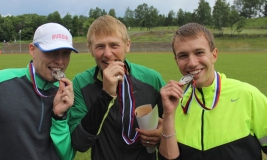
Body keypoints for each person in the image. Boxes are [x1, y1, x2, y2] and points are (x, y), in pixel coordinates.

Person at [0, 23, 78, 160]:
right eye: (52, 51)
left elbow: (66, 156)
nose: (60, 61)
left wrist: (59, 116)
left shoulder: (66, 97)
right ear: (32, 50)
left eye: (66, 53)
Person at [158, 23, 267, 160]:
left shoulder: (248, 96)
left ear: (214, 55)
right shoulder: (175, 104)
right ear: (176, 61)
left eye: (199, 52)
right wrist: (168, 115)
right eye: (183, 55)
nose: (192, 63)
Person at [67, 15, 165, 160]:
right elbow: (80, 143)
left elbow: (173, 124)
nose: (107, 53)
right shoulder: (81, 83)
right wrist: (106, 95)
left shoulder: (152, 79)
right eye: (100, 46)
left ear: (127, 45)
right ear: (90, 50)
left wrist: (162, 133)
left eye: (114, 45)